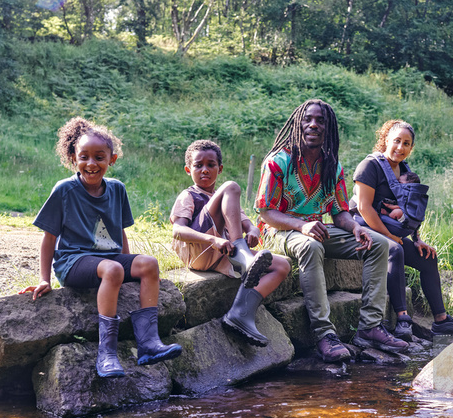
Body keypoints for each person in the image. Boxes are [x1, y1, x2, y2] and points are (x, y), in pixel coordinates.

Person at [19, 117, 182, 378]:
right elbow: (49, 238)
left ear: (112, 160)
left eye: (99, 157)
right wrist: (44, 279)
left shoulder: (117, 189)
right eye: (84, 157)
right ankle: (106, 353)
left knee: (149, 263)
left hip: (110, 261)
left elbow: (119, 232)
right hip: (73, 262)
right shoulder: (65, 190)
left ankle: (149, 345)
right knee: (113, 268)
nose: (91, 164)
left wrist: (132, 269)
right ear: (73, 158)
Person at [255, 99, 408, 363]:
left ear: (329, 128)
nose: (313, 124)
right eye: (308, 119)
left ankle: (370, 328)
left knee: (379, 243)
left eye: (321, 121)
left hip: (318, 229)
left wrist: (356, 227)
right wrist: (301, 225)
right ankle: (325, 334)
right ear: (298, 124)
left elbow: (339, 212)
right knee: (311, 245)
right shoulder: (278, 161)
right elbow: (266, 211)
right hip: (278, 230)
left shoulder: (332, 166)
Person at [353, 119, 453, 340]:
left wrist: (417, 239)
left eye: (406, 143)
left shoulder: (405, 170)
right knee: (395, 250)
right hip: (362, 228)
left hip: (388, 230)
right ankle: (403, 319)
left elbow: (412, 210)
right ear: (385, 140)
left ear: (411, 148)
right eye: (396, 141)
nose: (400, 147)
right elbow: (363, 208)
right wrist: (390, 236)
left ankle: (441, 321)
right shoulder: (369, 166)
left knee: (427, 258)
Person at [171, 140, 290, 347]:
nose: (205, 170)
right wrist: (212, 239)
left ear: (220, 168)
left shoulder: (227, 198)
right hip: (200, 253)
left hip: (222, 256)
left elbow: (248, 224)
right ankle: (242, 255)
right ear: (188, 169)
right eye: (198, 165)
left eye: (211, 165)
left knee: (282, 266)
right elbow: (178, 231)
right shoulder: (189, 195)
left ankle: (241, 313)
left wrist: (253, 231)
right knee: (231, 187)